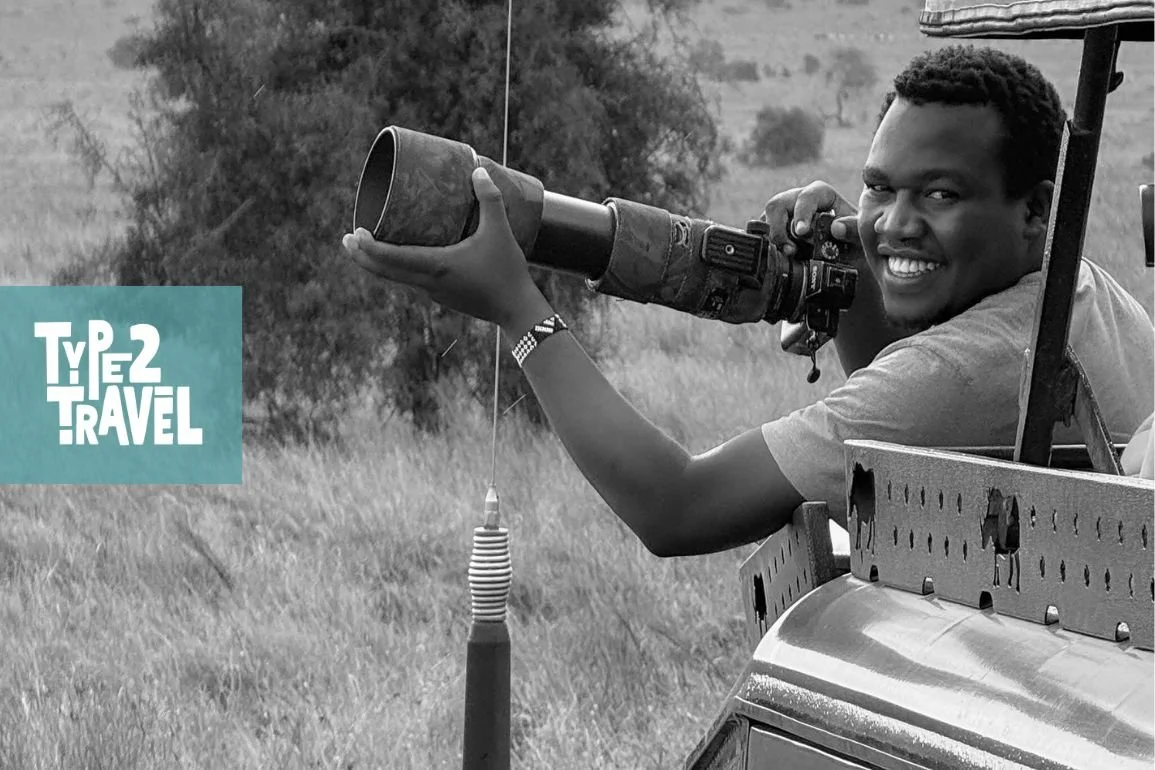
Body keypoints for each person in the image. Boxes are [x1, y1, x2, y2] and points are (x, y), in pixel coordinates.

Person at [342, 45, 1155, 556]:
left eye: (939, 195)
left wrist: (521, 314)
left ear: (1035, 207)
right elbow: (911, 447)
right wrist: (857, 283)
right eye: (878, 189)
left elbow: (676, 508)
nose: (895, 224)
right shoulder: (1072, 285)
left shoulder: (970, 368)